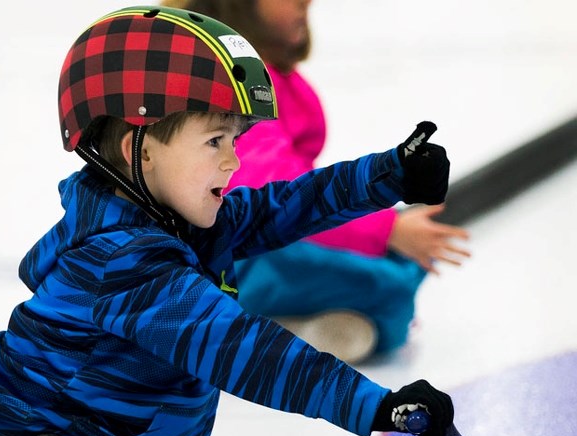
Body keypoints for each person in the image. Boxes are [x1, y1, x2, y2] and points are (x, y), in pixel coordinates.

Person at [0, 6, 454, 436]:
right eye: (215, 140)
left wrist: (389, 177)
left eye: (234, 140)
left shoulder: (179, 217)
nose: (234, 160)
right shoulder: (125, 260)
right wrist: (376, 407)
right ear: (141, 146)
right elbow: (247, 352)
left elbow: (278, 207)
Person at [162, 0, 471, 363]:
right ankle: (256, 333)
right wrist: (385, 230)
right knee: (391, 286)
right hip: (223, 266)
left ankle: (294, 324)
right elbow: (278, 191)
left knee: (397, 267)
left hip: (246, 254)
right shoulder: (230, 86)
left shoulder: (264, 78)